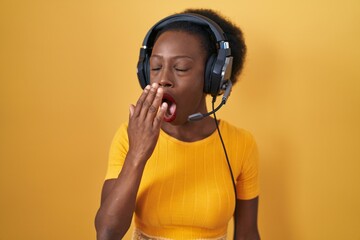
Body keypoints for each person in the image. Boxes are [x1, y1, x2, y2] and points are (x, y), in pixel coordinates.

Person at [95, 8, 260, 240]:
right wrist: (138, 153)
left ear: (213, 76)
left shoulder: (241, 143)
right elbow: (107, 233)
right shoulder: (127, 136)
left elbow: (247, 235)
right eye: (155, 67)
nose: (163, 79)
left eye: (181, 68)